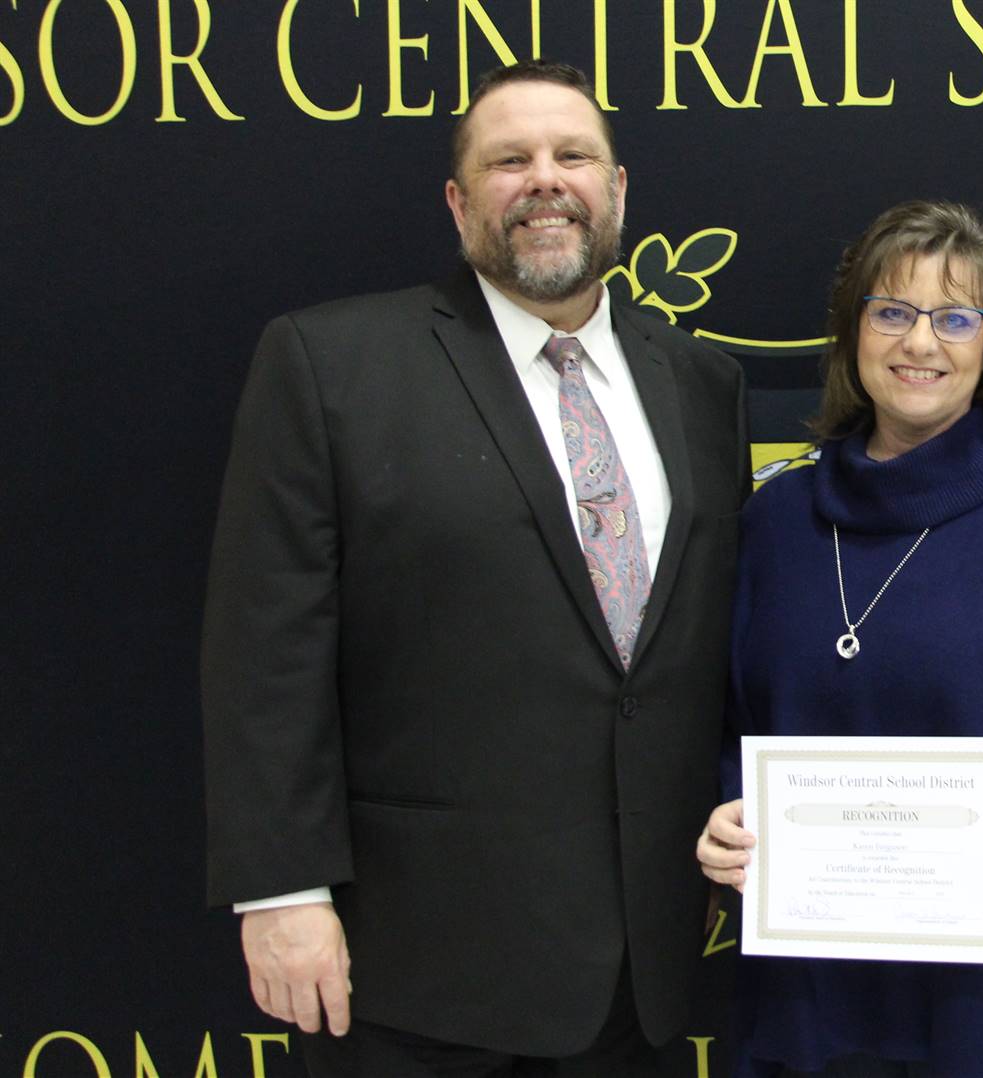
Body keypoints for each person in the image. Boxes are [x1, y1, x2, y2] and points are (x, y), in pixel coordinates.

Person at [201, 60, 748, 1075]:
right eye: (510, 161)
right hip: (420, 973)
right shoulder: (331, 365)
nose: (546, 179)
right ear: (459, 203)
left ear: (617, 191)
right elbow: (264, 650)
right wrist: (282, 891)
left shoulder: (701, 383)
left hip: (648, 969)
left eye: (573, 155)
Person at [694, 201, 983, 1077]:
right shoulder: (775, 523)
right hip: (812, 991)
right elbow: (726, 717)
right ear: (852, 334)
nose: (921, 343)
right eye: (893, 312)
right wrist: (729, 808)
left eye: (955, 317)